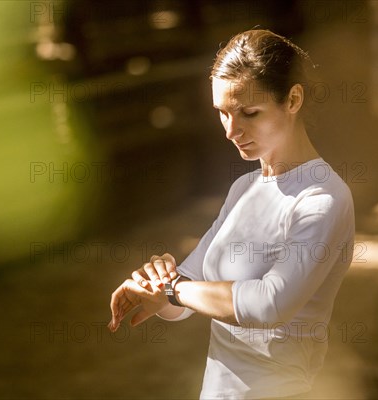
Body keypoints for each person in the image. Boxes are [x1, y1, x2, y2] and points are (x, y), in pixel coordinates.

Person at [107, 29, 355, 399]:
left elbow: (268, 305)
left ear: (293, 99)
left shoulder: (323, 199)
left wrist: (176, 289)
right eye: (222, 113)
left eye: (248, 113)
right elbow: (185, 298)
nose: (231, 130)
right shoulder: (246, 187)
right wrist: (156, 289)